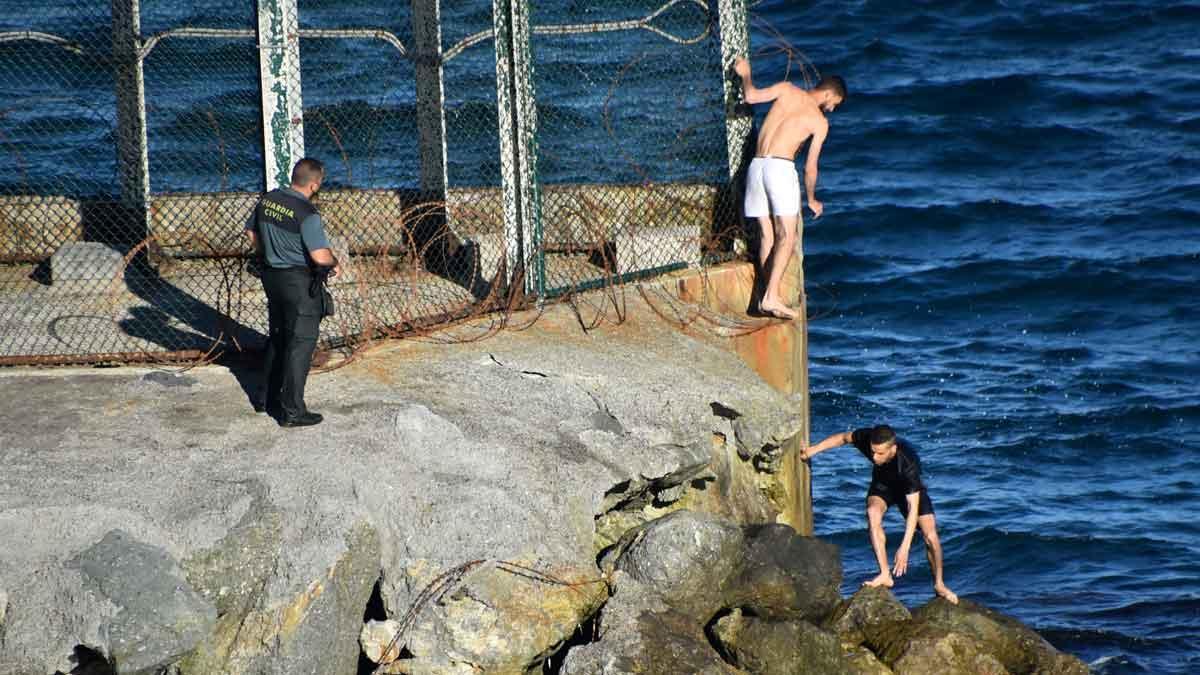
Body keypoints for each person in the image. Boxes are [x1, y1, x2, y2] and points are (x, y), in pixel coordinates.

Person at [734, 57, 845, 320]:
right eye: (833, 104)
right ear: (829, 93)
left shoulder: (785, 89)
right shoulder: (819, 121)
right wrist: (812, 199)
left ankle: (765, 296)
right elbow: (810, 168)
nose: (830, 109)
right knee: (788, 236)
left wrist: (746, 73)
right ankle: (772, 296)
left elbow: (750, 96)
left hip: (756, 167)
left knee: (767, 236)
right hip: (780, 169)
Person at [802, 424, 959, 604]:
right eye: (872, 452)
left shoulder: (907, 465)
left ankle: (939, 584)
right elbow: (843, 438)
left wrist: (904, 547)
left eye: (880, 453)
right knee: (872, 512)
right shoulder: (868, 438)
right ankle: (885, 573)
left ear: (893, 448)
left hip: (909, 492)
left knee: (930, 536)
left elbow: (913, 509)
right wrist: (812, 450)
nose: (874, 457)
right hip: (883, 485)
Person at [245, 158, 339, 428]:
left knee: (279, 337)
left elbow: (251, 232)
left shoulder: (268, 200)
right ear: (314, 184)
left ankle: (267, 399)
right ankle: (293, 411)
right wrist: (335, 263)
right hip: (298, 283)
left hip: (271, 277)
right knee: (301, 345)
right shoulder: (307, 213)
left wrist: (268, 253)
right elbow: (320, 257)